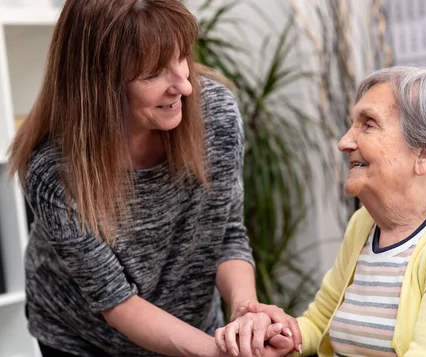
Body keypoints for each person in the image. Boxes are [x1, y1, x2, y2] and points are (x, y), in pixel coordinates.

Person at [7, 0, 299, 356]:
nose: (185, 85)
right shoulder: (53, 171)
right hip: (82, 339)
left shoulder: (215, 117)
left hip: (192, 329)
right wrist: (219, 353)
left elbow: (225, 236)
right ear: (100, 83)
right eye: (154, 73)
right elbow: (117, 302)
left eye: (181, 58)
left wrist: (245, 319)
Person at [216, 66, 426, 357]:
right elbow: (320, 321)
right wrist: (286, 335)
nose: (345, 142)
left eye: (368, 125)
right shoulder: (366, 222)